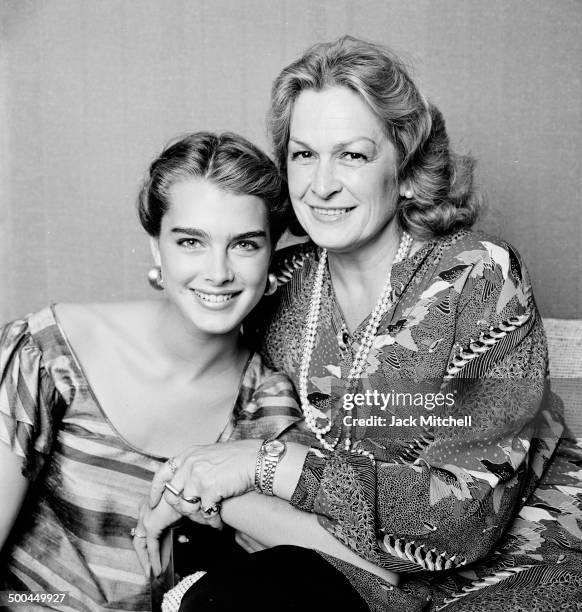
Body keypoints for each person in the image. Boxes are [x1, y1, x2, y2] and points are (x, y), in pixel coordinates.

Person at [139, 37, 582, 612]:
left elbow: (462, 521)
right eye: (303, 155)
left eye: (351, 155)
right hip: (351, 569)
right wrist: (198, 487)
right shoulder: (282, 286)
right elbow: (192, 319)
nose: (320, 185)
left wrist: (263, 467)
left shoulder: (479, 277)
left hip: (513, 576)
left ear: (405, 170)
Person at [0, 131, 311, 611]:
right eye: (191, 241)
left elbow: (341, 572)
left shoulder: (265, 408)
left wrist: (201, 495)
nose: (218, 271)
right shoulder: (51, 353)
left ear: (271, 254)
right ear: (156, 248)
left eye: (245, 244)